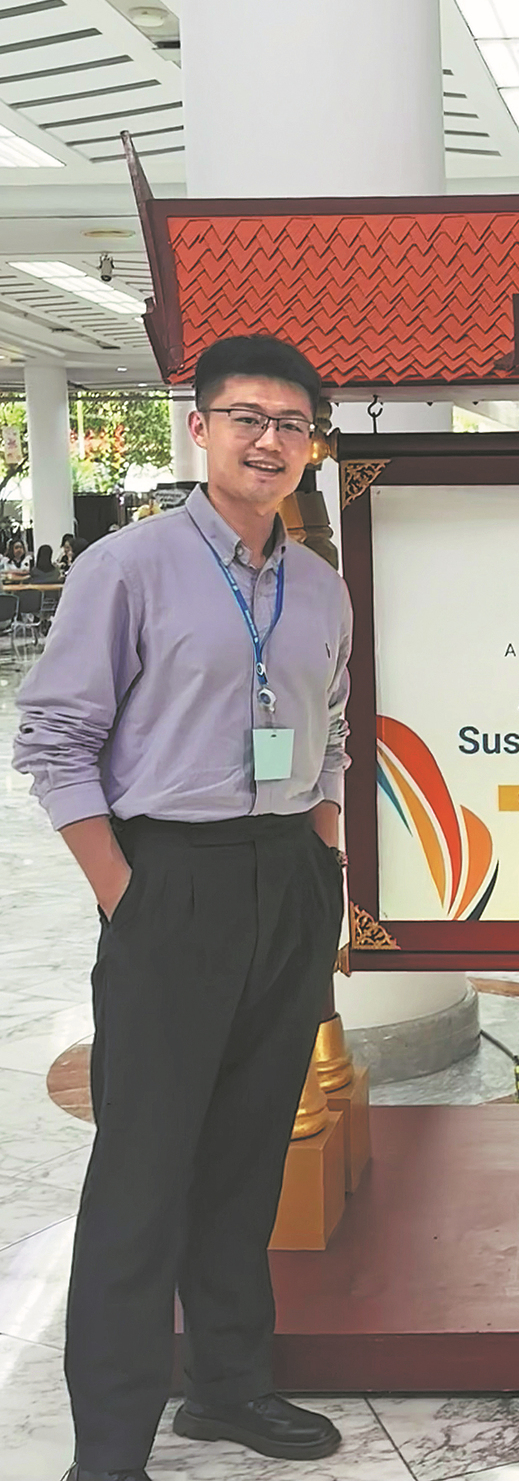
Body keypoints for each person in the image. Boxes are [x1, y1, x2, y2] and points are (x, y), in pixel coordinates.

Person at [14, 334, 352, 1481]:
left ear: (311, 447)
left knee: (248, 1155)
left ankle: (227, 1386)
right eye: (247, 416)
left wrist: (321, 856)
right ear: (199, 428)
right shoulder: (129, 567)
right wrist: (128, 893)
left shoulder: (319, 586)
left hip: (287, 878)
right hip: (170, 878)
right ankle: (109, 1447)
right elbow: (54, 741)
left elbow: (330, 730)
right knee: (142, 1173)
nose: (269, 439)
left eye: (292, 424)